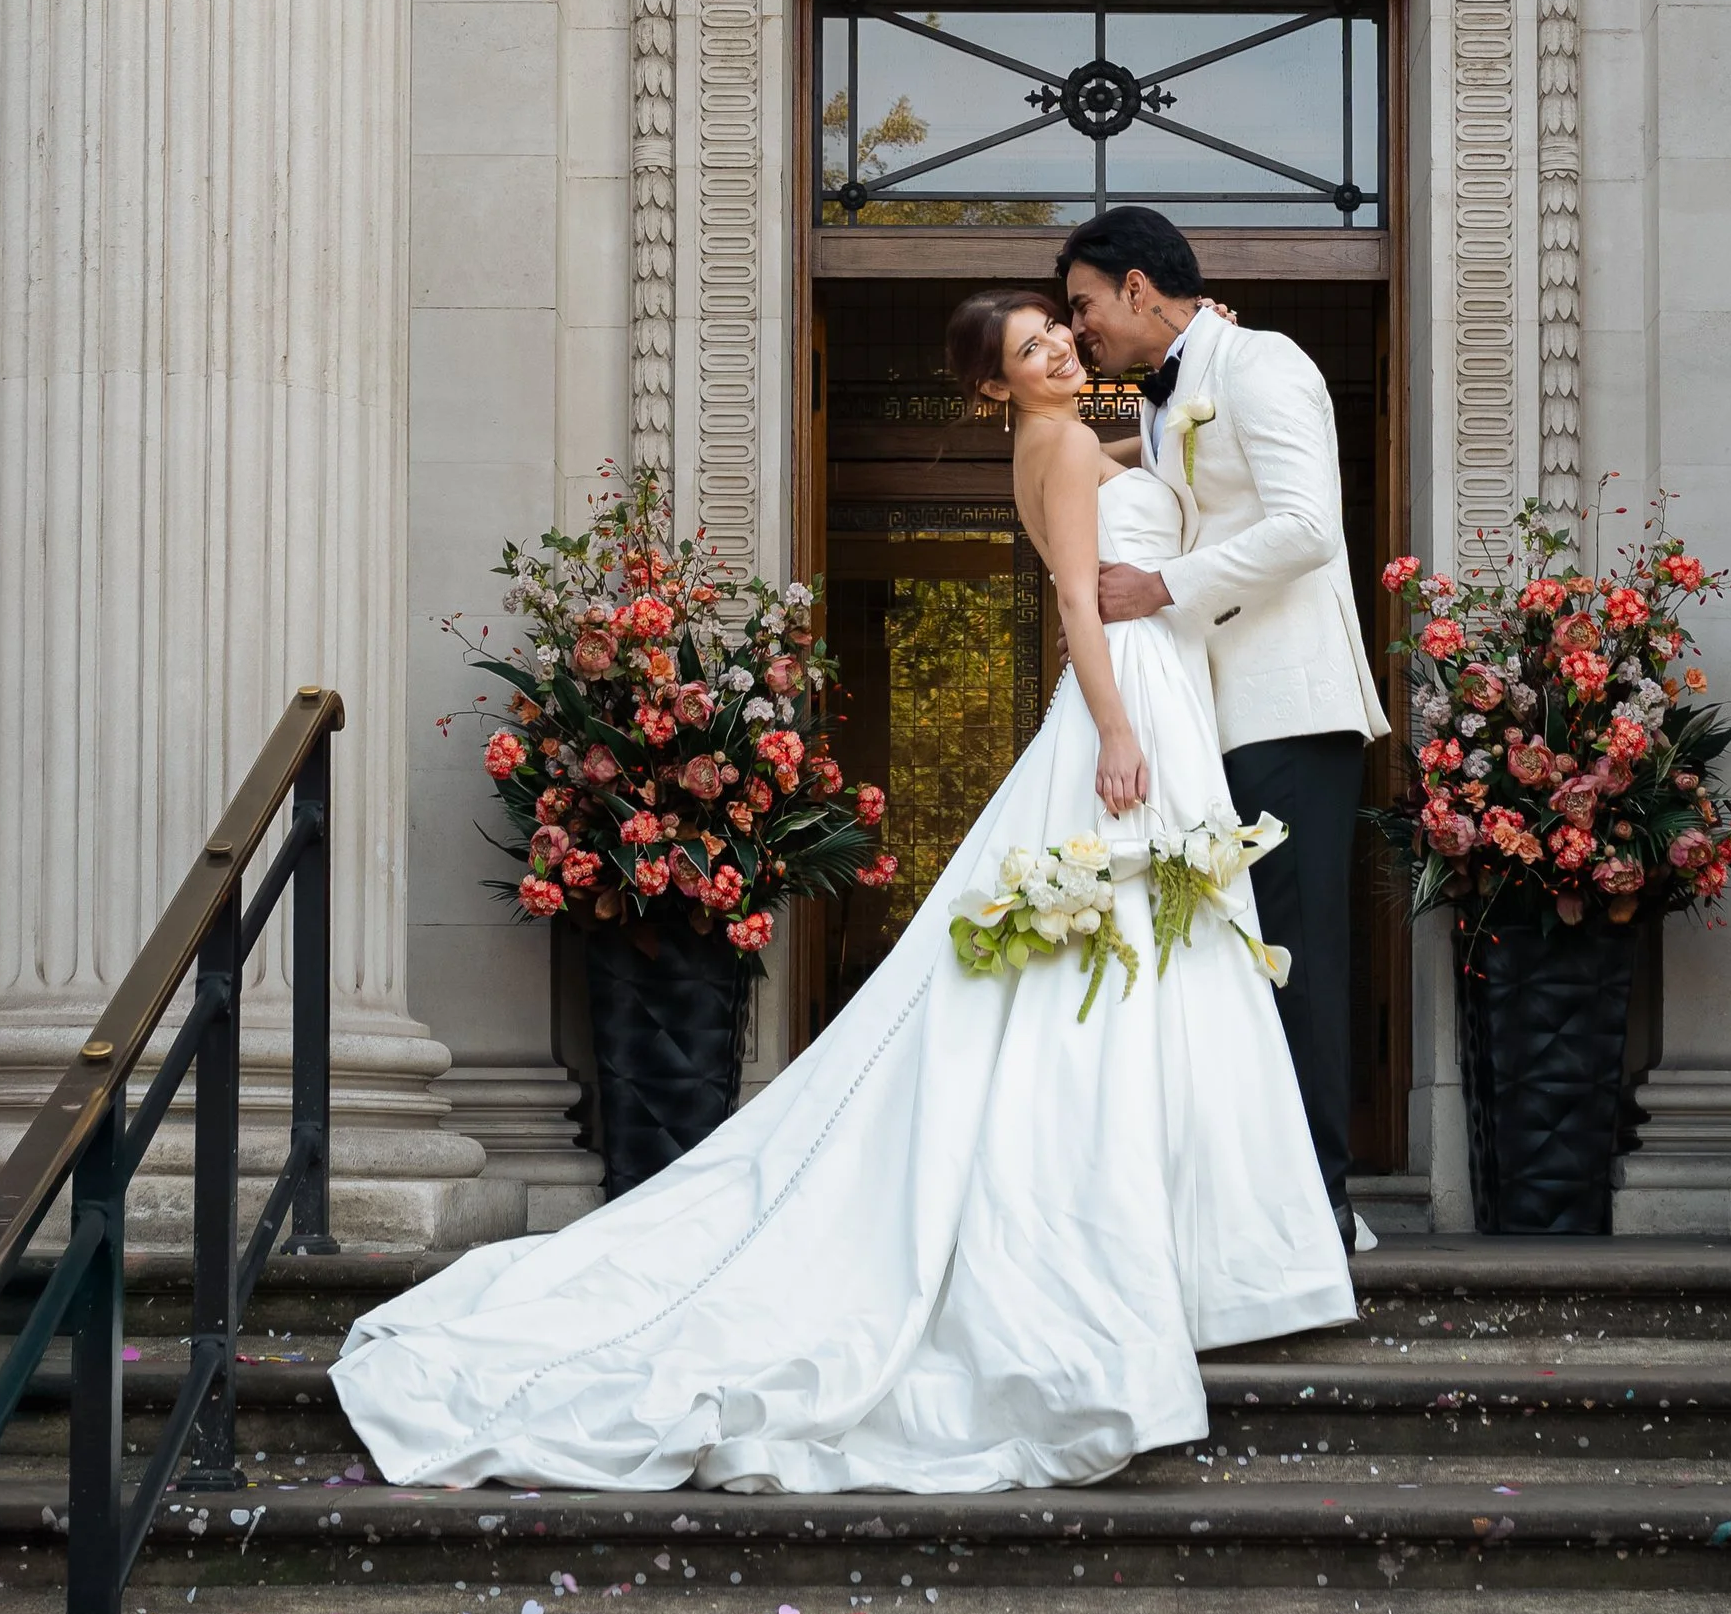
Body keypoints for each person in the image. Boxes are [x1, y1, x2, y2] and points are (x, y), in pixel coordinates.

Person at [330, 289, 1352, 1497]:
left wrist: (1190, 381)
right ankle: (1155, 1243)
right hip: (1130, 690)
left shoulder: (1066, 439)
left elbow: (1153, 462)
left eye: (1059, 331)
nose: (1061, 347)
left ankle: (1190, 1238)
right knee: (1120, 957)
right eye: (1032, 347)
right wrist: (1117, 733)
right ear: (994, 388)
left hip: (1156, 684)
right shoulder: (1065, 444)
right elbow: (1079, 599)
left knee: (1143, 950)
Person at [1060, 207, 1385, 1239]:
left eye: (1083, 305)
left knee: (1295, 951)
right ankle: (1247, 1196)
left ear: (1139, 290)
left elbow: (1304, 526)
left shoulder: (1261, 361)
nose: (1078, 331)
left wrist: (1160, 585)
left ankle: (1317, 1207)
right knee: (1226, 954)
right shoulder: (1164, 402)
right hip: (1205, 715)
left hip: (1291, 704)